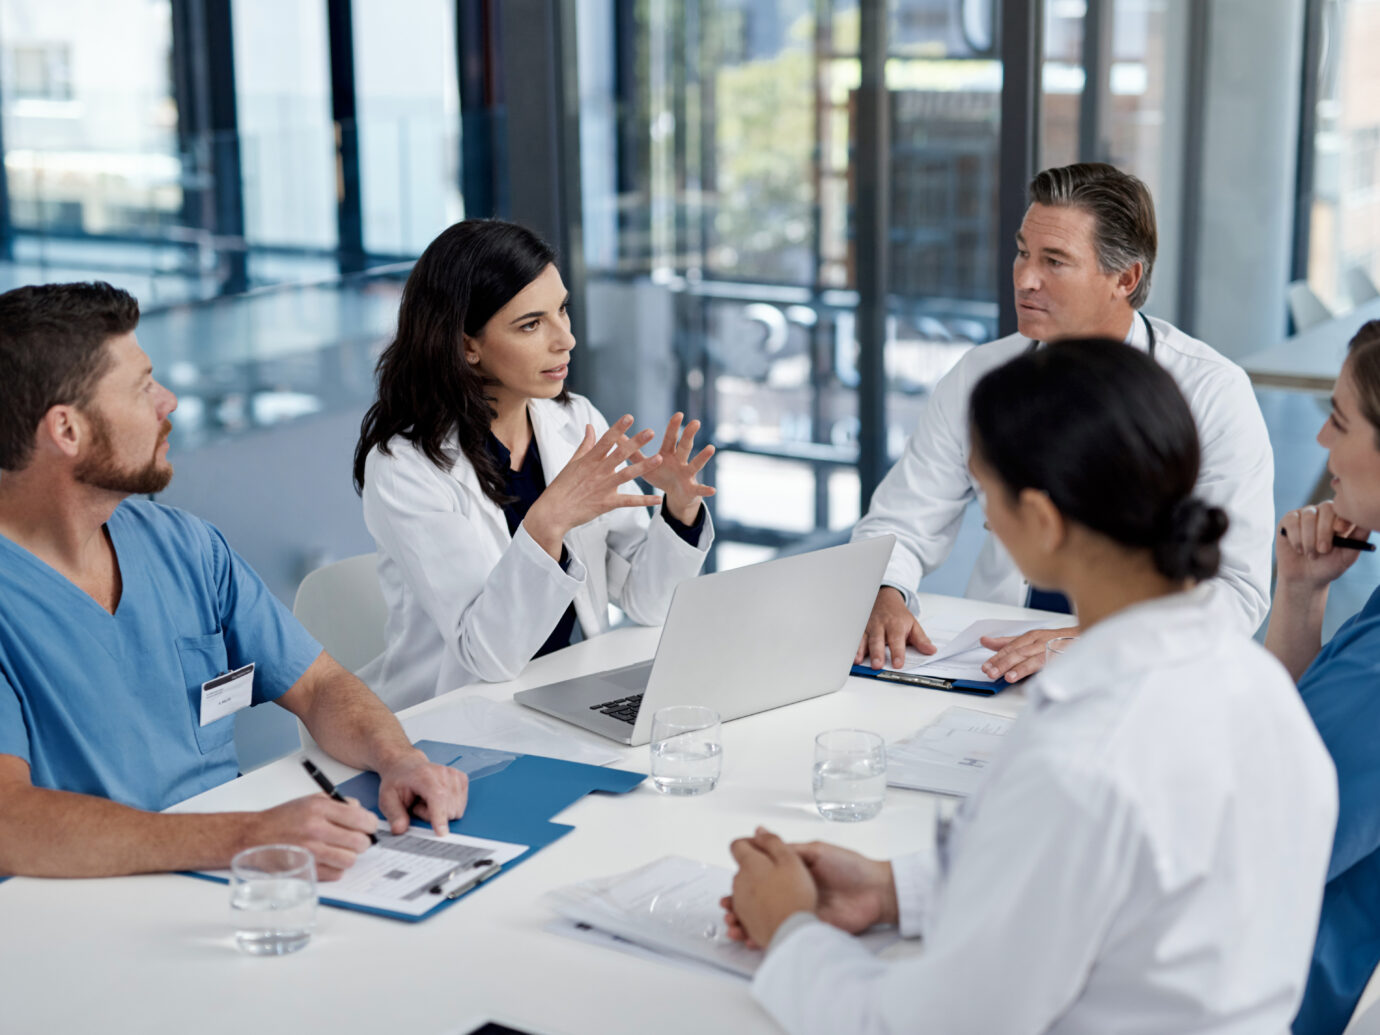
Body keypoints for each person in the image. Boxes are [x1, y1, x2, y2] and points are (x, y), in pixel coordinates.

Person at [724, 340, 1335, 1033]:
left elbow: (927, 1024)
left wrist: (790, 929)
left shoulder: (1086, 757)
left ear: (1043, 522)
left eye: (989, 490)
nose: (985, 514)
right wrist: (898, 889)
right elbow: (1115, 891)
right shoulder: (1259, 687)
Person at [0, 282, 467, 881]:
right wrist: (249, 835)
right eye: (143, 387)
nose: (167, 401)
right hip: (93, 905)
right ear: (67, 430)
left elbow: (320, 685)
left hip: (235, 879)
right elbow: (10, 823)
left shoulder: (185, 547)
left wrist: (398, 759)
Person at [852, 162, 1273, 683]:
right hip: (988, 661)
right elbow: (901, 520)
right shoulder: (981, 375)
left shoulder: (1212, 392)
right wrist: (883, 592)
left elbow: (1238, 589)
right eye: (1023, 252)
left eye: (1055, 261)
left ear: (1125, 278)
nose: (1026, 279)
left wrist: (1096, 638)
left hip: (1140, 668)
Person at [354, 220, 714, 710]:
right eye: (531, 324)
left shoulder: (575, 419)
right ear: (466, 345)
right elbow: (487, 655)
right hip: (458, 714)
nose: (564, 339)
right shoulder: (405, 468)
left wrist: (679, 507)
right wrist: (549, 520)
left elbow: (645, 601)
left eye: (561, 310)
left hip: (572, 690)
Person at [1266, 321, 1380, 1035]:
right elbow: (1288, 736)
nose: (1321, 447)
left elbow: (1258, 836)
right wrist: (1302, 595)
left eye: (1339, 423)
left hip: (1273, 987)